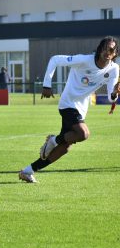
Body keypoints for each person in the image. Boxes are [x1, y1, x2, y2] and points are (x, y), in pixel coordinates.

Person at [19, 36, 120, 183]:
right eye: (104, 47)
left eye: (110, 49)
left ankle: (28, 171)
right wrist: (47, 84)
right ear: (100, 48)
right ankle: (53, 140)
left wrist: (115, 93)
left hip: (81, 109)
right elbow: (55, 59)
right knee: (83, 133)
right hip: (67, 104)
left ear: (115, 53)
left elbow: (111, 97)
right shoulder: (84, 60)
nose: (107, 51)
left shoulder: (114, 69)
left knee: (65, 148)